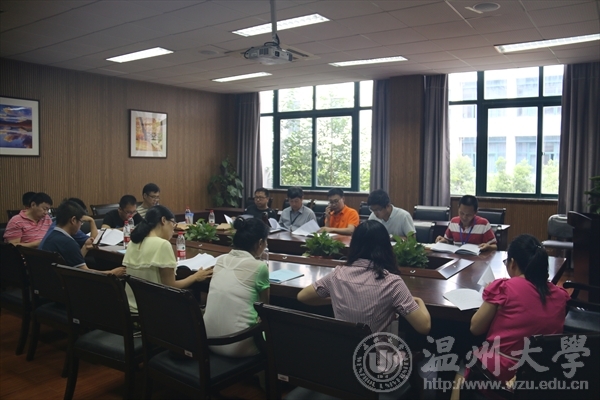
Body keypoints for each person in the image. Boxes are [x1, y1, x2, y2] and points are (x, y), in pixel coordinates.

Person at [298, 220, 431, 335]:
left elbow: (303, 296)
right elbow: (424, 327)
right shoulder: (392, 283)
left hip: (340, 351)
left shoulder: (337, 274)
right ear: (386, 246)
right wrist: (419, 301)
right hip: (374, 355)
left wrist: (336, 299)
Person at [468, 234, 570, 383]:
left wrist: (491, 296)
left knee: (461, 365)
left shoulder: (504, 288)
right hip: (544, 376)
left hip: (502, 375)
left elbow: (475, 328)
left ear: (513, 263)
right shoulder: (560, 295)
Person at [123, 205, 212, 313]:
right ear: (163, 220)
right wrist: (195, 277)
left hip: (130, 309)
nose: (173, 230)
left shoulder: (133, 242)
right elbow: (171, 286)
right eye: (173, 224)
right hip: (155, 312)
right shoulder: (162, 244)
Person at [204, 217, 270, 357]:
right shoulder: (260, 267)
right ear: (260, 243)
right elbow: (265, 308)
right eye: (266, 241)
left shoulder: (221, 260)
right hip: (239, 346)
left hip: (208, 341)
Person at [40, 200, 125, 276]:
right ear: (73, 220)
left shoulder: (52, 235)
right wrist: (112, 273)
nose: (81, 225)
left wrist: (85, 247)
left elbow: (74, 265)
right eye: (81, 222)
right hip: (63, 284)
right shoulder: (68, 243)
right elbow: (84, 273)